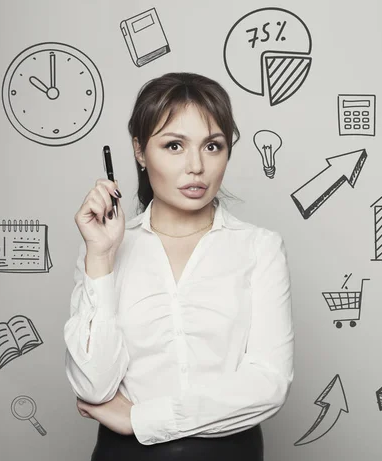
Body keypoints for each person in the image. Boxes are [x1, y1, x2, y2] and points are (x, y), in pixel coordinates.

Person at [63, 72, 295, 460]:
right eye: (174, 145)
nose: (196, 166)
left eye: (212, 146)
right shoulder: (105, 250)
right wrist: (101, 257)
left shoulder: (259, 248)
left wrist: (141, 419)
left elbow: (268, 385)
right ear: (140, 151)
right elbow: (93, 387)